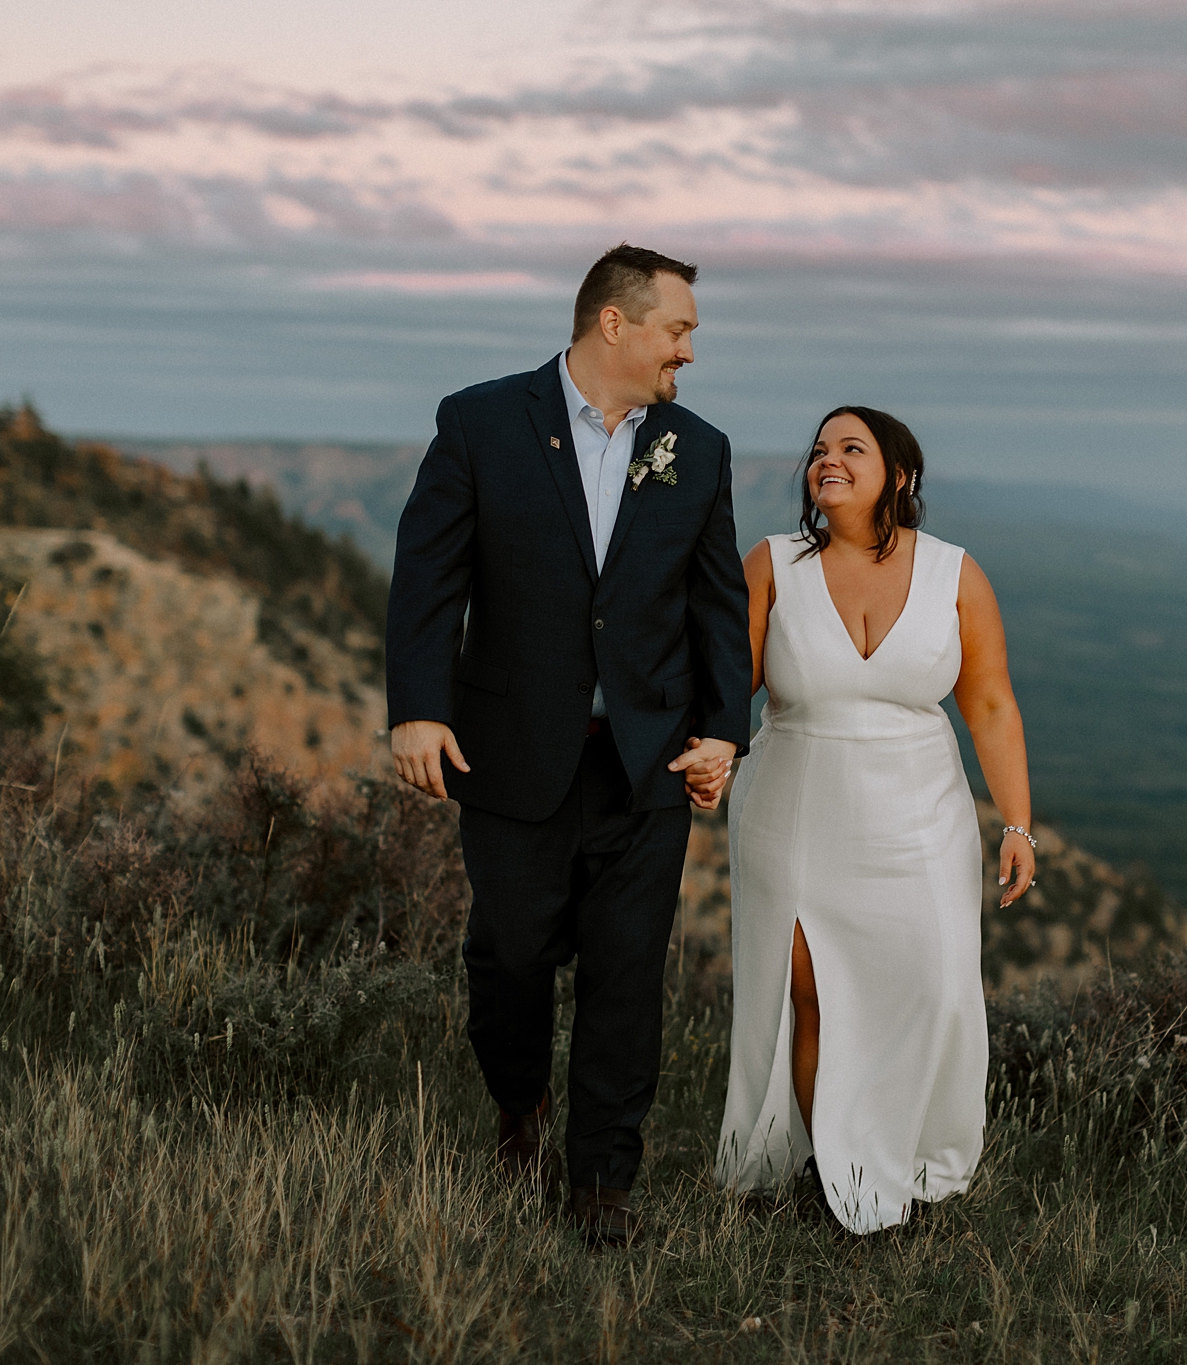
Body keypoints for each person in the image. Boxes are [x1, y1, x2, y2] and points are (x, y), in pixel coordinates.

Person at [386, 244, 751, 1247]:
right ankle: (520, 1112)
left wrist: (723, 729)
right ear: (613, 324)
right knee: (508, 957)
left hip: (646, 763)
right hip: (508, 751)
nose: (688, 351)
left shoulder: (697, 448)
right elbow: (428, 577)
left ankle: (600, 1186)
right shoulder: (479, 422)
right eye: (677, 330)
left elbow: (715, 601)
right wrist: (418, 707)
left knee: (626, 971)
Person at [716, 405, 1035, 1233]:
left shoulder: (956, 575)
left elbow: (992, 703)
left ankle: (902, 1155)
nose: (827, 460)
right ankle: (834, 1170)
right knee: (810, 990)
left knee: (927, 991)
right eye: (819, 450)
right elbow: (726, 690)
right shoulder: (774, 564)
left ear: (899, 473)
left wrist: (1017, 823)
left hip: (922, 820)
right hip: (792, 809)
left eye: (851, 448)